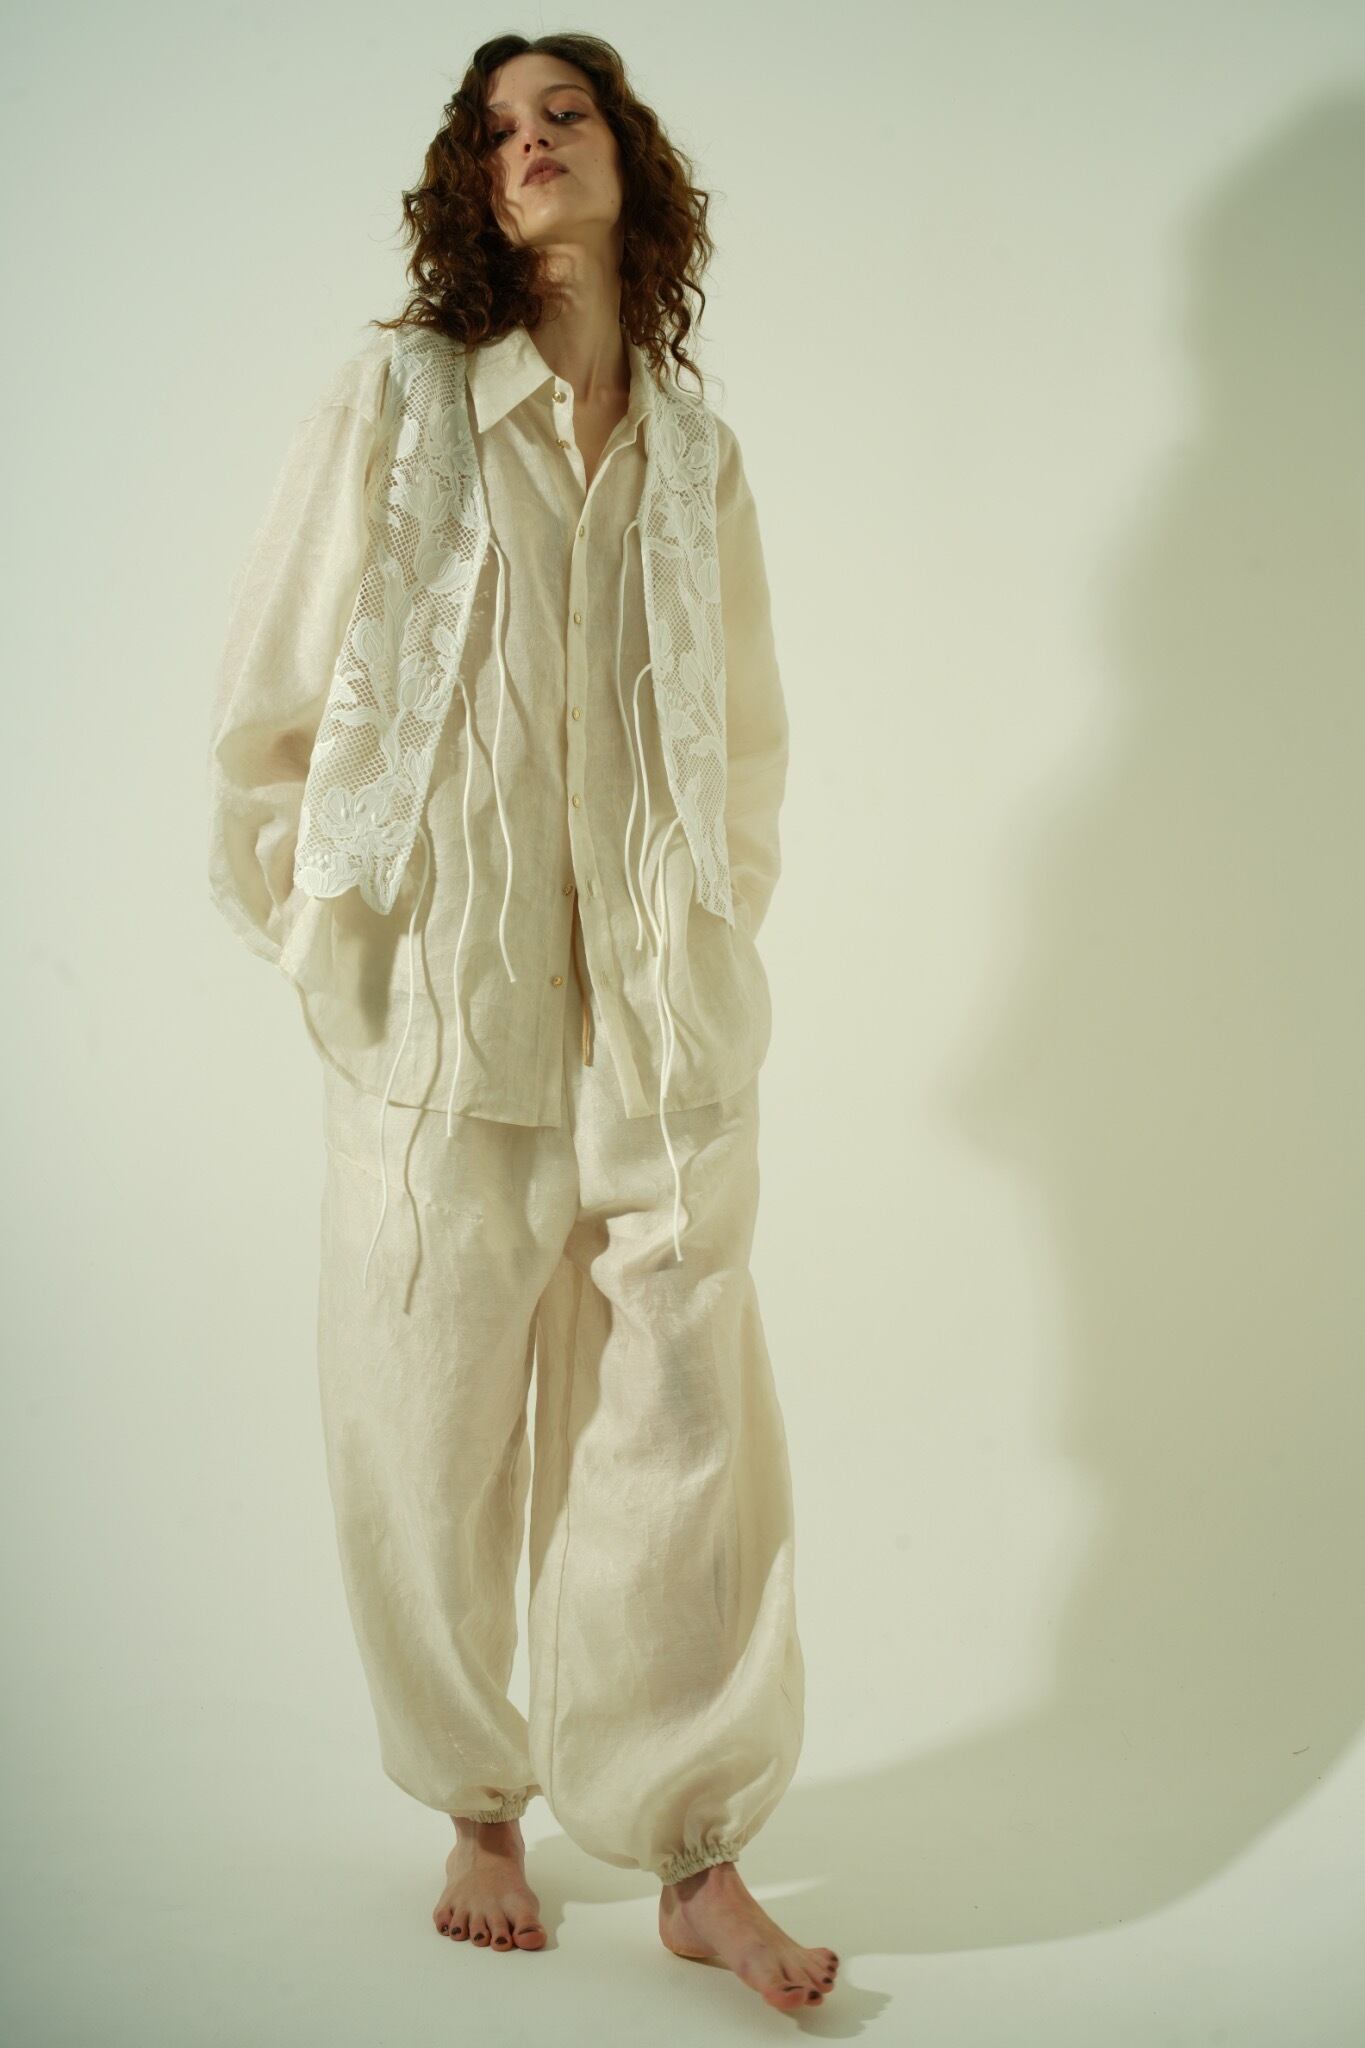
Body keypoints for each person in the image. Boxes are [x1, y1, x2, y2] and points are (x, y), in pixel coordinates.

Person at [206, 30, 838, 2016]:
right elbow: (269, 697)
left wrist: (708, 924)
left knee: (683, 1442)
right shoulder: (399, 398)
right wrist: (324, 937)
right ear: (468, 184)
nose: (530, 142)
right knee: (424, 1426)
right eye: (496, 128)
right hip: (439, 1021)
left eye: (564, 112)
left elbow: (742, 740)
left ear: (627, 158)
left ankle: (693, 1853)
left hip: (657, 1030)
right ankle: (477, 1803)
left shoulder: (694, 451)